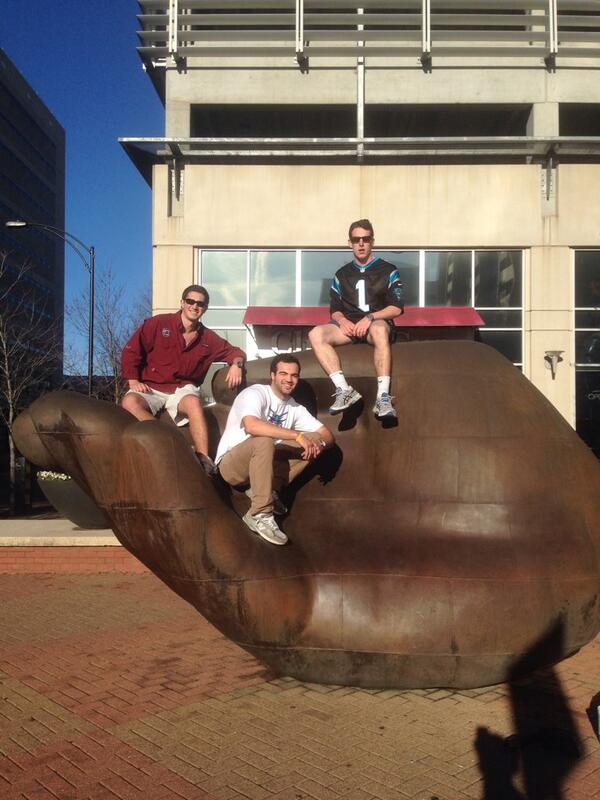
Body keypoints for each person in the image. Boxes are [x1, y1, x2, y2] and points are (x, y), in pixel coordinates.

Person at [121, 284, 245, 473]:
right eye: (190, 301)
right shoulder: (157, 324)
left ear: (205, 308)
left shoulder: (209, 339)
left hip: (182, 389)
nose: (195, 306)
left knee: (194, 403)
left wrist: (236, 364)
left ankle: (204, 460)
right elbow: (132, 351)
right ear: (182, 303)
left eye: (200, 304)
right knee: (129, 402)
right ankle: (172, 442)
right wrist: (133, 380)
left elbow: (235, 352)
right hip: (151, 386)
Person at [215, 354, 334, 546]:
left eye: (294, 375)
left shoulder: (294, 408)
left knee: (314, 439)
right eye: (283, 373)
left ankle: (268, 490)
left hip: (262, 467)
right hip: (232, 467)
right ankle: (260, 514)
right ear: (272, 375)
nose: (289, 379)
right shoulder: (255, 393)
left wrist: (317, 445)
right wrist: (297, 436)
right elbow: (252, 426)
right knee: (264, 440)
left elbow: (327, 435)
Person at [308, 219, 404, 419]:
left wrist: (369, 317)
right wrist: (342, 321)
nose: (361, 243)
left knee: (378, 329)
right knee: (316, 333)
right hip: (349, 327)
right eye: (356, 239)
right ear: (349, 243)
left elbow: (396, 308)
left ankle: (383, 397)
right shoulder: (341, 274)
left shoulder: (388, 270)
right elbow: (334, 310)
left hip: (375, 324)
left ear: (372, 242)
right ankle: (344, 390)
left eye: (365, 239)